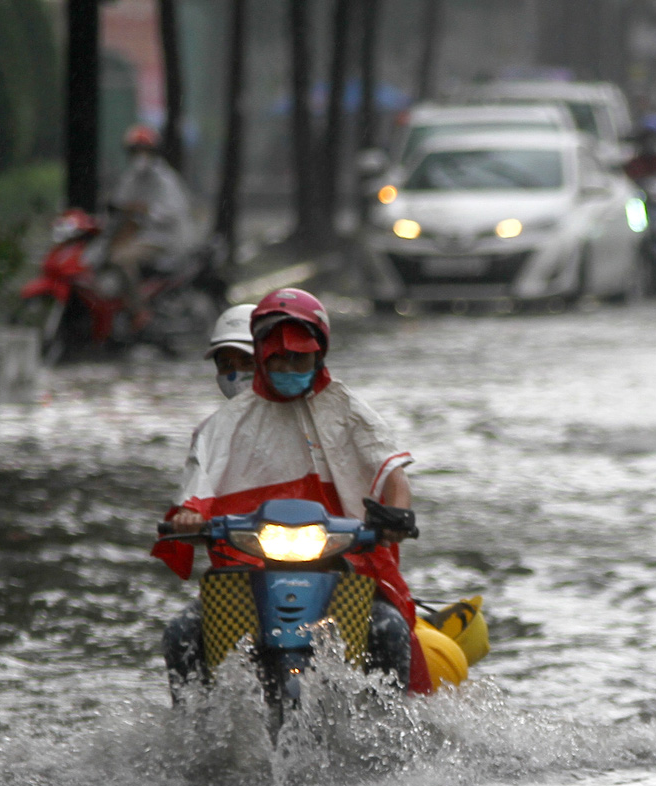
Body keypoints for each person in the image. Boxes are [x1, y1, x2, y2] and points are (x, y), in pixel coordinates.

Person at [154, 289, 427, 693]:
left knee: (388, 631)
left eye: (298, 356)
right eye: (277, 356)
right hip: (244, 578)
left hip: (338, 568)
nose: (287, 365)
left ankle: (394, 736)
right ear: (262, 354)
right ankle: (196, 735)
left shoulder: (348, 410)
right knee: (182, 634)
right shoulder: (221, 426)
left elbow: (390, 471)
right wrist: (190, 517)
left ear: (319, 355)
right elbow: (196, 488)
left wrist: (397, 514)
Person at [108, 125, 197, 291]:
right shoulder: (130, 178)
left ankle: (137, 310)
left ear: (154, 151)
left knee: (120, 259)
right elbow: (119, 205)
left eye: (144, 150)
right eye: (135, 151)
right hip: (141, 237)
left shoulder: (165, 180)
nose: (140, 156)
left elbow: (173, 212)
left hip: (165, 240)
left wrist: (145, 210)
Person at [206, 303, 257, 399]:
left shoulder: (290, 411)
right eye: (226, 366)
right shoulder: (224, 414)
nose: (237, 374)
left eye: (247, 362)